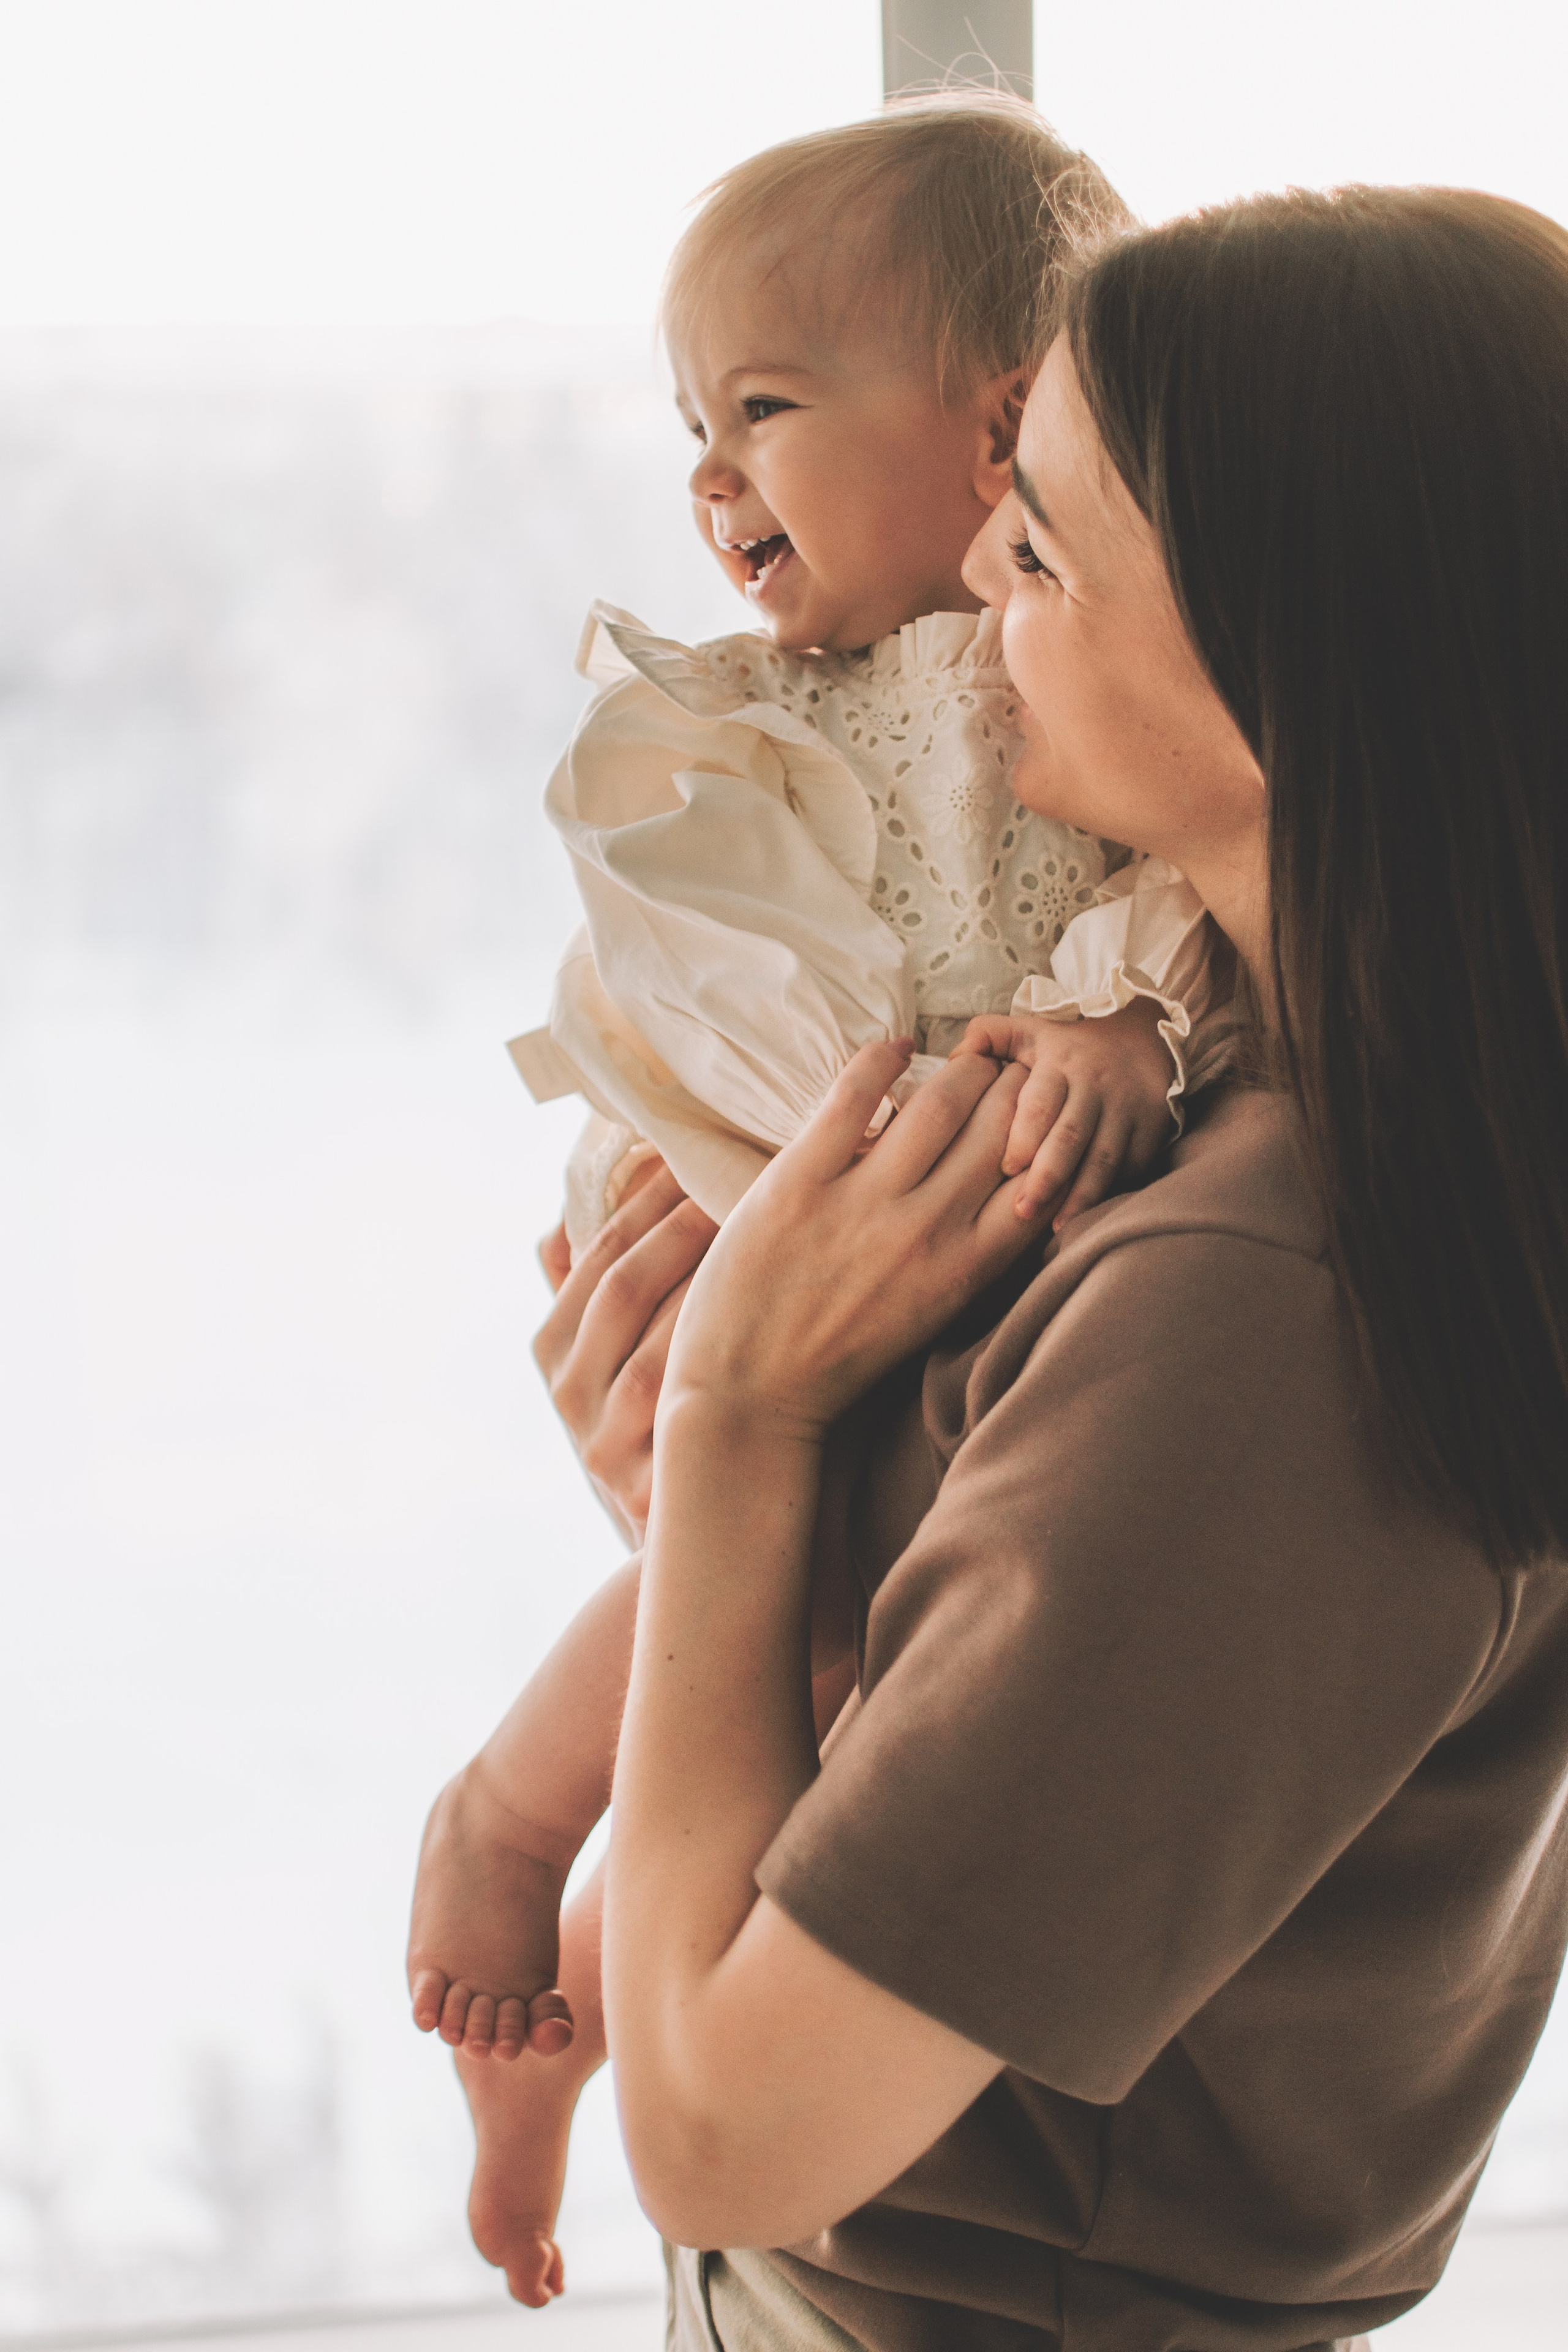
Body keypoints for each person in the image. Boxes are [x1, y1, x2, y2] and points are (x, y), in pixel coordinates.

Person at [538, 186, 1568, 2350]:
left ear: (1303, 658)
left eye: (1041, 556)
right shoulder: (1323, 1120)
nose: (972, 615)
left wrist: (733, 1416)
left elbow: (725, 2128)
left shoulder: (1270, 1310)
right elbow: (1018, 1743)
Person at [407, 97, 1239, 2307]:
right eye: (692, 427)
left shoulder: (1074, 690)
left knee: (816, 1628)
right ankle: (525, 1864)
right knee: (760, 1584)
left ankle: (561, 1921)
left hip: (948, 1221)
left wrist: (1130, 1035)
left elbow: (1189, 910)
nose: (707, 479)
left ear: (1000, 441)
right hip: (808, 1203)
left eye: (761, 412)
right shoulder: (763, 715)